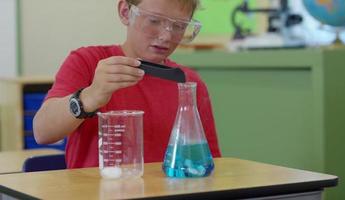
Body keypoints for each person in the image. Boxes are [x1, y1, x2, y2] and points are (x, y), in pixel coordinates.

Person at [33, 0, 221, 169]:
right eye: (154, 20)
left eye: (179, 26)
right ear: (125, 12)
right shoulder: (88, 62)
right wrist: (91, 96)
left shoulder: (189, 83)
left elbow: (210, 161)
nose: (166, 36)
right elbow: (42, 132)